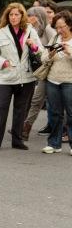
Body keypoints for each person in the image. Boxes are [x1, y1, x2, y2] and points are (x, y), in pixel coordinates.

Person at [0, 3, 42, 150]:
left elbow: (40, 51)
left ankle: (17, 140)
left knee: (21, 110)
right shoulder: (0, 32)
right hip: (5, 77)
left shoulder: (30, 31)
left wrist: (33, 45)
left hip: (26, 77)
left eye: (17, 14)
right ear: (7, 16)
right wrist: (3, 62)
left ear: (22, 16)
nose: (14, 17)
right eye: (11, 14)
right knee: (1, 107)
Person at [40, 10, 72, 154]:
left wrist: (69, 52)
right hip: (53, 80)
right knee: (54, 113)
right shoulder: (54, 38)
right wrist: (50, 54)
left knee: (71, 114)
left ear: (69, 24)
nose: (59, 30)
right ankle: (54, 144)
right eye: (57, 27)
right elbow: (43, 59)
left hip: (69, 81)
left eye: (62, 26)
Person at [22, 6, 54, 140]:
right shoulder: (34, 30)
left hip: (52, 70)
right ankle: (24, 129)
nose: (28, 18)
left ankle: (62, 130)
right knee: (36, 100)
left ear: (38, 17)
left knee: (58, 103)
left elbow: (56, 44)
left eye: (31, 16)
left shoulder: (47, 29)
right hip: (44, 71)